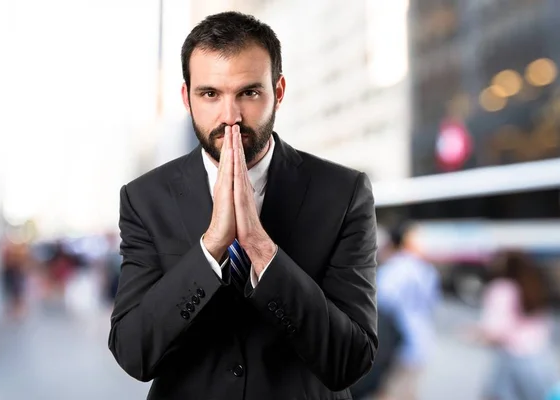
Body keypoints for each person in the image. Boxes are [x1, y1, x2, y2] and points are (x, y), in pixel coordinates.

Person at [108, 11, 378, 400]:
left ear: (278, 92)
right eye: (210, 94)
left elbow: (351, 360)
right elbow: (134, 354)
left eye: (249, 93)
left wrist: (260, 248)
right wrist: (211, 248)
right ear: (187, 98)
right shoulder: (144, 198)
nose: (230, 116)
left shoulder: (344, 193)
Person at [466, 250, 559, 400]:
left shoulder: (501, 288)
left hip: (513, 359)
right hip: (541, 358)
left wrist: (473, 333)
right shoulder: (534, 285)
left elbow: (494, 330)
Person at [371, 222, 440, 400]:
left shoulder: (393, 269)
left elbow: (381, 304)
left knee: (388, 392)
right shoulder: (426, 269)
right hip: (420, 338)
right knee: (408, 391)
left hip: (397, 342)